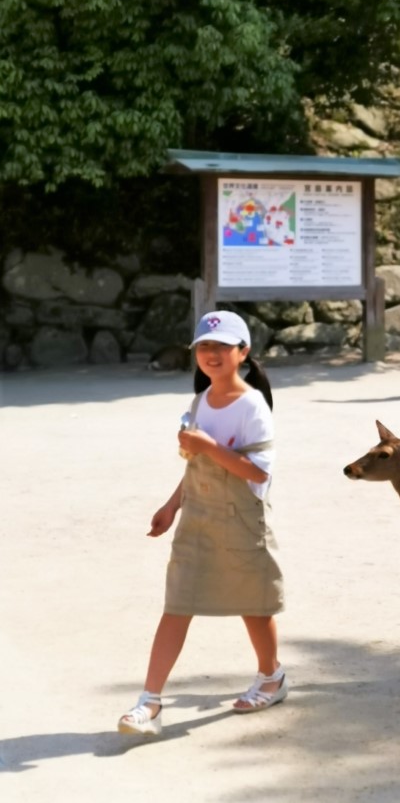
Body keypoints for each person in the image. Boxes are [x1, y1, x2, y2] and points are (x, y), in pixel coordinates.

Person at [117, 310, 286, 735]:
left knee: (254, 605)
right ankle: (149, 701)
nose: (211, 354)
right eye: (204, 347)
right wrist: (172, 505)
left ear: (243, 352)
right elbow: (194, 467)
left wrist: (209, 446)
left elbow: (259, 472)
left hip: (242, 522)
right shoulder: (199, 402)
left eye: (222, 347)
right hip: (196, 520)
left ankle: (271, 676)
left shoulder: (253, 406)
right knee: (177, 605)